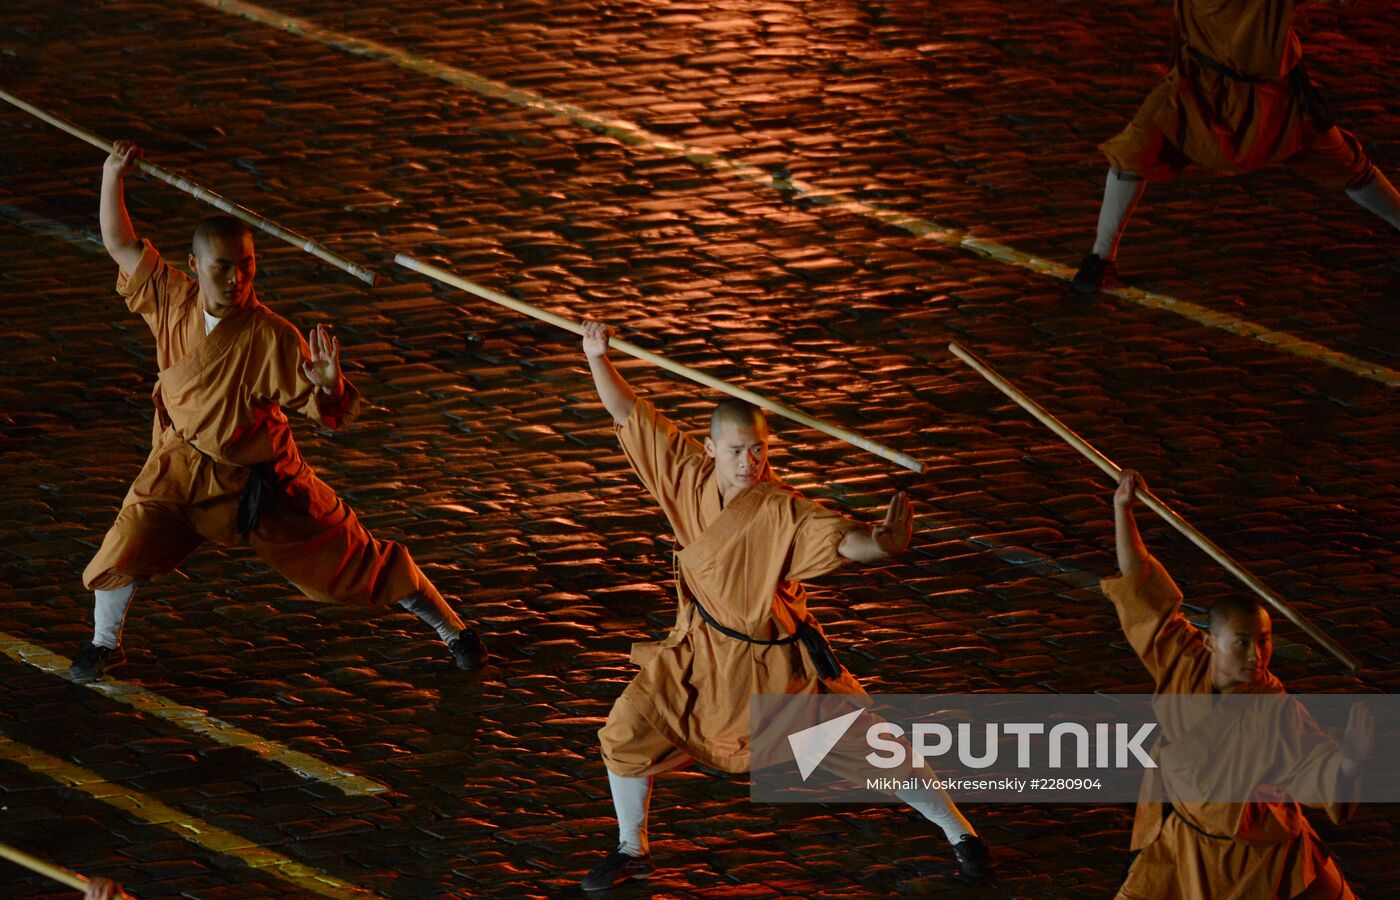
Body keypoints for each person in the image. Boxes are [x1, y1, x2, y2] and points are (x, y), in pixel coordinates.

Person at [577, 321, 991, 891]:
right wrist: (598, 356)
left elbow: (841, 538)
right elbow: (630, 414)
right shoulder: (685, 477)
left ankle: (960, 832)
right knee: (626, 731)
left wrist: (881, 545)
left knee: (873, 747)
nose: (749, 462)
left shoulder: (782, 508)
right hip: (699, 658)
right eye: (737, 451)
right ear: (711, 447)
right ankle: (632, 847)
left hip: (777, 672)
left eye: (759, 450)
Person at [71, 140, 486, 681]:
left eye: (247, 267)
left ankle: (454, 630)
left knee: (350, 563)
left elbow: (326, 409)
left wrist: (331, 386)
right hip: (177, 468)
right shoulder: (173, 299)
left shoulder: (273, 335)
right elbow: (120, 242)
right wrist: (112, 176)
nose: (237, 279)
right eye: (223, 268)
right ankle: (106, 644)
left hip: (258, 484)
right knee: (126, 541)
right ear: (196, 265)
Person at [1102, 469, 1373, 898]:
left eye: (1264, 642)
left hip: (1256, 860)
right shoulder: (1184, 660)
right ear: (1211, 642)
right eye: (1242, 643)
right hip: (1183, 843)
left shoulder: (1275, 709)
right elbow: (1141, 585)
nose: (1256, 656)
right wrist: (1123, 511)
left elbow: (1315, 770)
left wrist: (1352, 762)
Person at [1072, 0, 1400, 293]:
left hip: (1270, 100)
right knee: (1135, 150)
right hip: (1196, 84)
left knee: (1347, 165)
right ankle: (1101, 256)